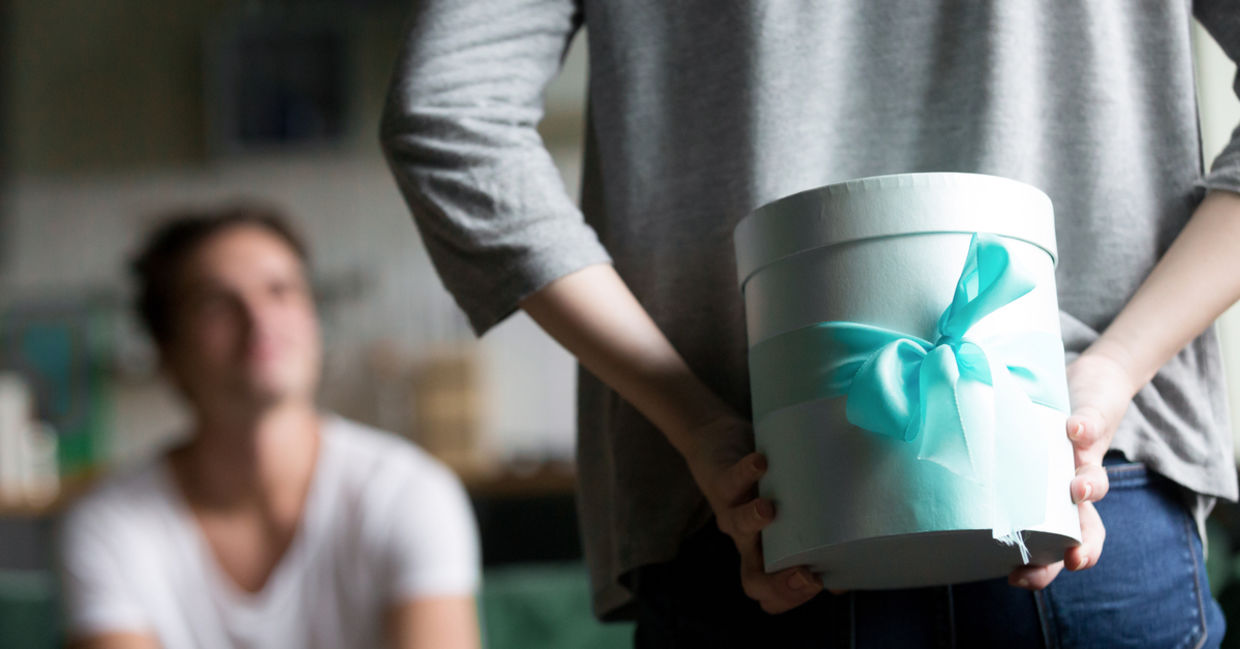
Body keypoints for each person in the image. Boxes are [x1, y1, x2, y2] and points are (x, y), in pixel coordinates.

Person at [380, 2, 1240, 646]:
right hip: (1082, 478)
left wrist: (695, 420)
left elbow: (443, 111)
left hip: (756, 505)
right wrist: (1112, 370)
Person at [57, 204, 482, 649]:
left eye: (280, 291)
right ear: (167, 351)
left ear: (314, 320)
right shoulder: (109, 525)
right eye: (215, 303)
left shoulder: (407, 493)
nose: (259, 319)